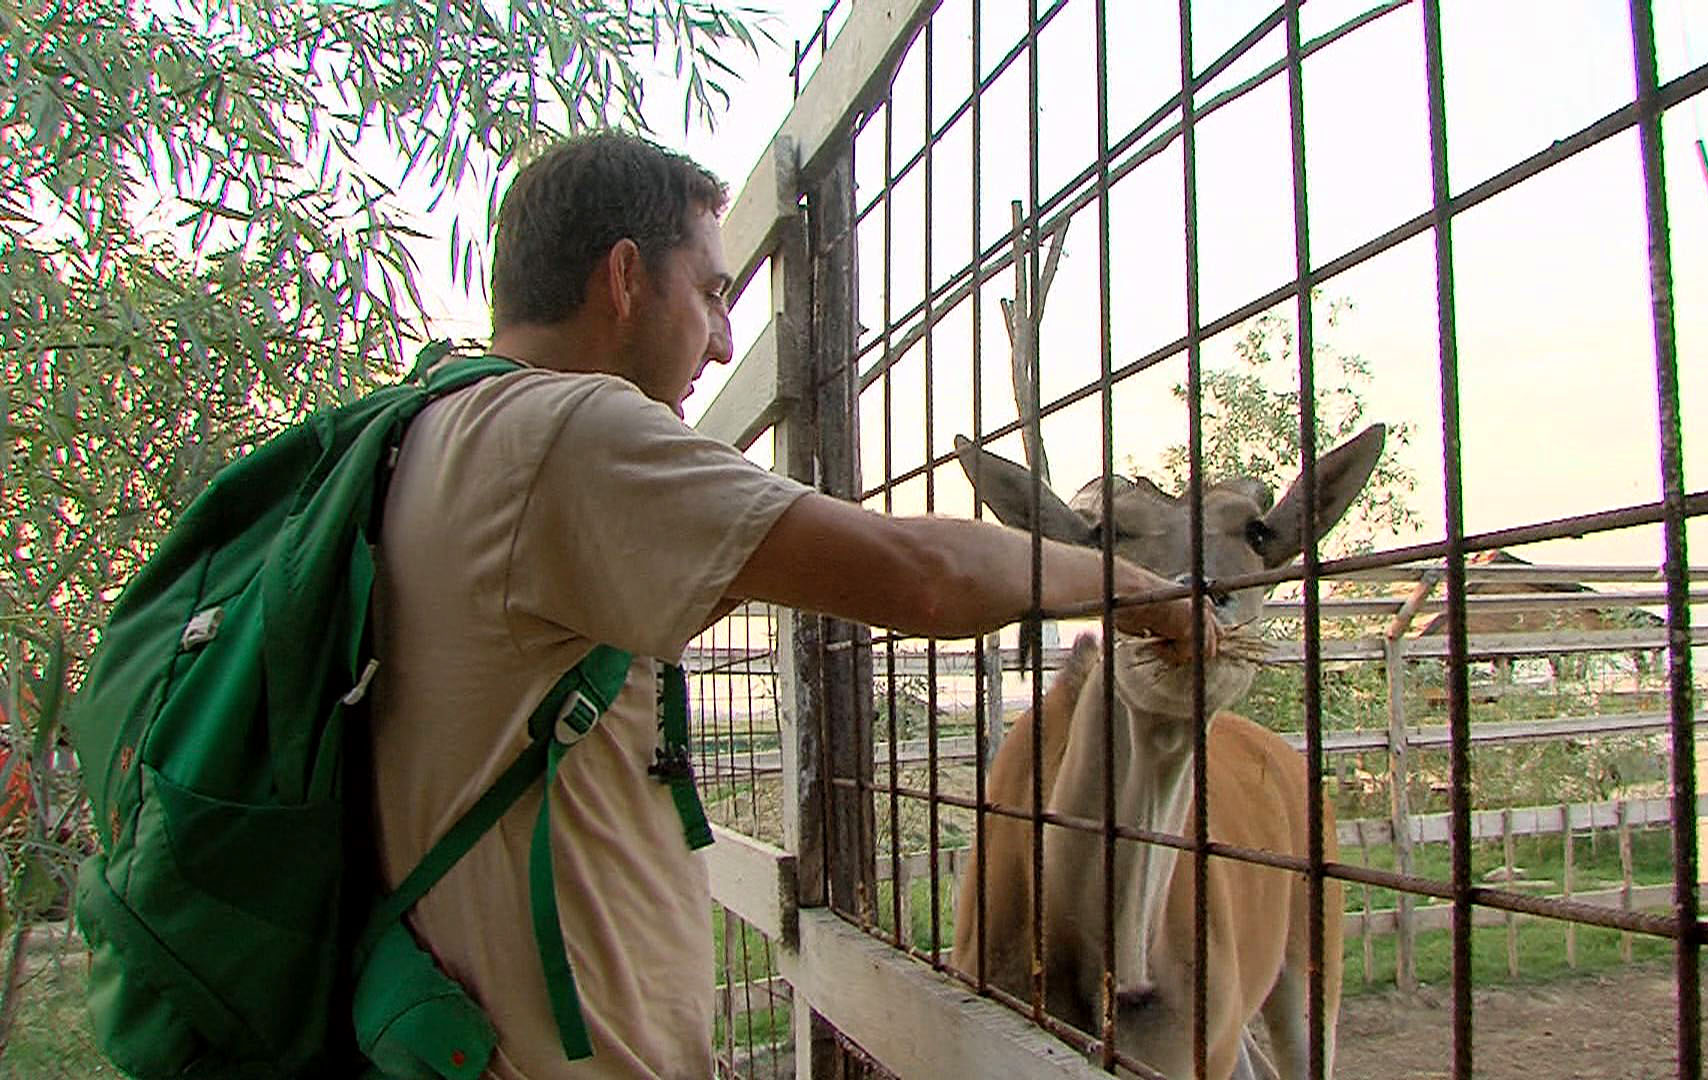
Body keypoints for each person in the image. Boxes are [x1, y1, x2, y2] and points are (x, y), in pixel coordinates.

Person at [369, 132, 1215, 1078]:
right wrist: (1138, 589)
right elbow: (925, 573)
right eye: (711, 293)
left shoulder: (439, 427)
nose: (723, 340)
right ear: (624, 278)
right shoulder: (564, 433)